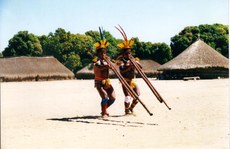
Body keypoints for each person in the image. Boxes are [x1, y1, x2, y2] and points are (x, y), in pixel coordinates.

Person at [115, 25, 142, 115]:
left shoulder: (133, 59)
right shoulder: (121, 60)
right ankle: (126, 111)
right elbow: (121, 71)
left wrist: (135, 63)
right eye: (127, 53)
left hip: (132, 80)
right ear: (123, 53)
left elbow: (141, 68)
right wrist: (128, 67)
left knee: (137, 95)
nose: (128, 54)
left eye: (129, 52)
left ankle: (131, 108)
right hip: (125, 81)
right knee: (127, 97)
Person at [93, 27, 116, 118]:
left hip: (107, 82)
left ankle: (104, 110)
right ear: (98, 54)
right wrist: (109, 65)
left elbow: (114, 68)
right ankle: (103, 113)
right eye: (102, 53)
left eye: (105, 53)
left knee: (113, 98)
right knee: (105, 96)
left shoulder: (107, 61)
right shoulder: (97, 63)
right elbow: (101, 67)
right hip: (99, 82)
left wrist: (111, 64)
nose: (103, 55)